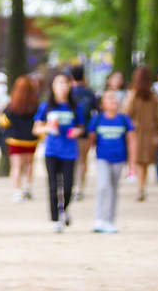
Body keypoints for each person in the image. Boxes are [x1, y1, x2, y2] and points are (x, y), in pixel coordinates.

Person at [34, 72, 83, 230]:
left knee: (68, 186)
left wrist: (77, 132)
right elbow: (36, 129)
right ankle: (55, 218)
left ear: (70, 86)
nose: (62, 86)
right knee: (53, 185)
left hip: (69, 151)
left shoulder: (75, 107)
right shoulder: (46, 106)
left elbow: (81, 127)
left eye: (65, 83)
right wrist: (47, 128)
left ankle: (64, 209)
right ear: (53, 86)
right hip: (52, 151)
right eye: (59, 83)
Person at [90, 86, 134, 233]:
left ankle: (109, 220)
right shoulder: (97, 120)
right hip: (102, 158)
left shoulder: (124, 119)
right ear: (102, 103)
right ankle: (99, 219)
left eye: (115, 98)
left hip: (119, 159)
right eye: (109, 98)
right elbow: (91, 140)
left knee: (113, 189)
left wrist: (131, 165)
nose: (113, 101)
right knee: (103, 186)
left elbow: (131, 141)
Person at [0, 74, 40, 201]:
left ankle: (17, 191)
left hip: (14, 140)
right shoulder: (35, 105)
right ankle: (28, 188)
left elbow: (3, 122)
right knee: (29, 164)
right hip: (31, 139)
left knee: (16, 166)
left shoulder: (11, 106)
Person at [125, 66, 158, 202]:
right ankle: (141, 186)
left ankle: (140, 187)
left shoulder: (134, 96)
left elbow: (126, 113)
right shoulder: (152, 97)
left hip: (138, 132)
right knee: (143, 161)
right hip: (148, 132)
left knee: (140, 161)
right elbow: (157, 117)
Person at [69, 63, 97, 201]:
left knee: (72, 160)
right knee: (83, 160)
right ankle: (80, 188)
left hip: (69, 131)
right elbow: (96, 111)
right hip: (85, 130)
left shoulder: (68, 92)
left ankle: (73, 186)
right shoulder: (89, 92)